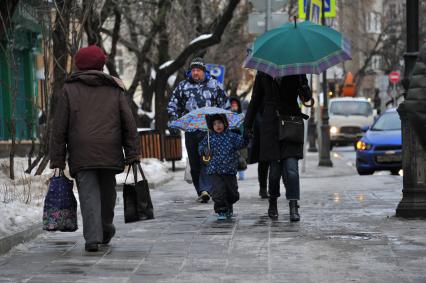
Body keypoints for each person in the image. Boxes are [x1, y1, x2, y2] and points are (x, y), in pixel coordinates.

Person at [50, 45, 139, 252]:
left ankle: (92, 238)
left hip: (81, 152)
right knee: (108, 195)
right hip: (109, 151)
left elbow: (59, 127)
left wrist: (57, 159)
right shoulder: (115, 88)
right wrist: (133, 152)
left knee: (88, 195)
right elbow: (129, 123)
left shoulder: (69, 89)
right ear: (101, 64)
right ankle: (106, 229)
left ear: (79, 64)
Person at [244, 71, 312, 221]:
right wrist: (247, 125)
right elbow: (255, 100)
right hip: (271, 126)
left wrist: (303, 84)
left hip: (290, 124)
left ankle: (293, 205)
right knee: (274, 171)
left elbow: (307, 98)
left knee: (292, 168)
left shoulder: (297, 70)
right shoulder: (263, 73)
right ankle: (272, 202)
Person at [167, 57, 229, 203]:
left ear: (204, 71)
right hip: (191, 130)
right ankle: (201, 190)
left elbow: (224, 105)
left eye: (198, 70)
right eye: (193, 70)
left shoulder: (215, 85)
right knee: (194, 164)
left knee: (206, 160)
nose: (195, 73)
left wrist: (224, 125)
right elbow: (172, 105)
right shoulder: (183, 86)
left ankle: (206, 189)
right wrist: (173, 121)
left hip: (209, 130)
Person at [198, 114, 248, 220]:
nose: (217, 126)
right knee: (218, 192)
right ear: (211, 126)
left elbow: (242, 143)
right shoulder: (209, 137)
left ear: (225, 123)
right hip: (215, 170)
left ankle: (228, 204)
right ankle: (221, 210)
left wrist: (247, 136)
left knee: (233, 194)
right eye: (214, 124)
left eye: (219, 123)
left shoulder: (231, 136)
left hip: (229, 170)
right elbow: (201, 147)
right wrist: (204, 150)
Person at [229, 97, 247, 180]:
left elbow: (243, 128)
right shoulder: (228, 116)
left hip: (240, 138)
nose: (234, 107)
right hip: (230, 139)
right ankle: (234, 174)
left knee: (241, 157)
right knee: (232, 157)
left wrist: (244, 136)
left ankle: (241, 174)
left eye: (235, 105)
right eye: (232, 105)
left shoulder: (241, 115)